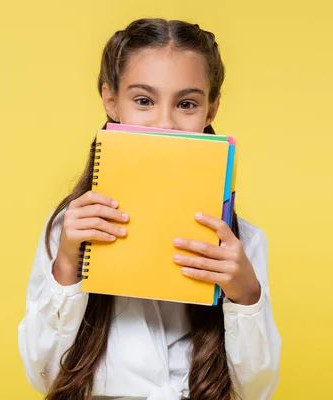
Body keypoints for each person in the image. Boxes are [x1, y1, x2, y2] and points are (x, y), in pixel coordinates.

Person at [18, 18, 282, 400]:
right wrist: (65, 269)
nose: (165, 124)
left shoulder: (243, 244)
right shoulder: (70, 230)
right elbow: (41, 376)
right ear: (112, 102)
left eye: (187, 104)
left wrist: (245, 297)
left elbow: (256, 391)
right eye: (143, 100)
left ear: (211, 110)